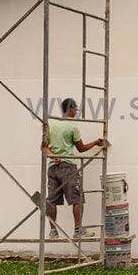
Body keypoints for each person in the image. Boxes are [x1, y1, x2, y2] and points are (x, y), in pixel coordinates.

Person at [42, 98, 104, 238]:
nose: (76, 111)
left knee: (51, 200)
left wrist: (52, 155)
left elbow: (44, 147)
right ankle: (78, 230)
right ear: (70, 109)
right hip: (68, 167)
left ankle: (53, 231)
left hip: (52, 168)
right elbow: (81, 149)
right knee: (77, 199)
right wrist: (95, 142)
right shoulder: (72, 127)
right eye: (75, 109)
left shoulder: (51, 125)